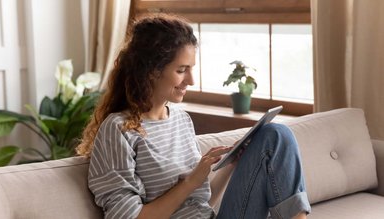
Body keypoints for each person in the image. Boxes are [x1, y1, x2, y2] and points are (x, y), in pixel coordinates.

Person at [76, 13, 311, 219]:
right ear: (150, 71)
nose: (191, 81)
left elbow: (198, 202)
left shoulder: (180, 119)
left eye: (191, 69)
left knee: (276, 134)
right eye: (181, 70)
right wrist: (190, 182)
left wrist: (231, 164)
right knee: (276, 135)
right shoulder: (118, 130)